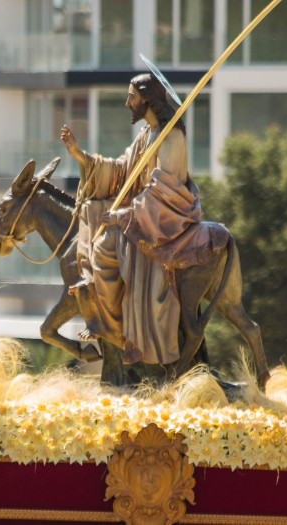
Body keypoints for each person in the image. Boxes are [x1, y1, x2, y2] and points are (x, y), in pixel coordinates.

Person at [60, 73, 215, 366]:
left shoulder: (171, 137)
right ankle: (103, 315)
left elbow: (166, 192)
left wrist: (124, 215)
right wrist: (80, 156)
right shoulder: (146, 136)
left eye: (131, 97)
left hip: (164, 220)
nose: (127, 103)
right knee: (93, 210)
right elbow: (121, 171)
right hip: (140, 212)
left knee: (106, 247)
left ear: (146, 99)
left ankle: (119, 328)